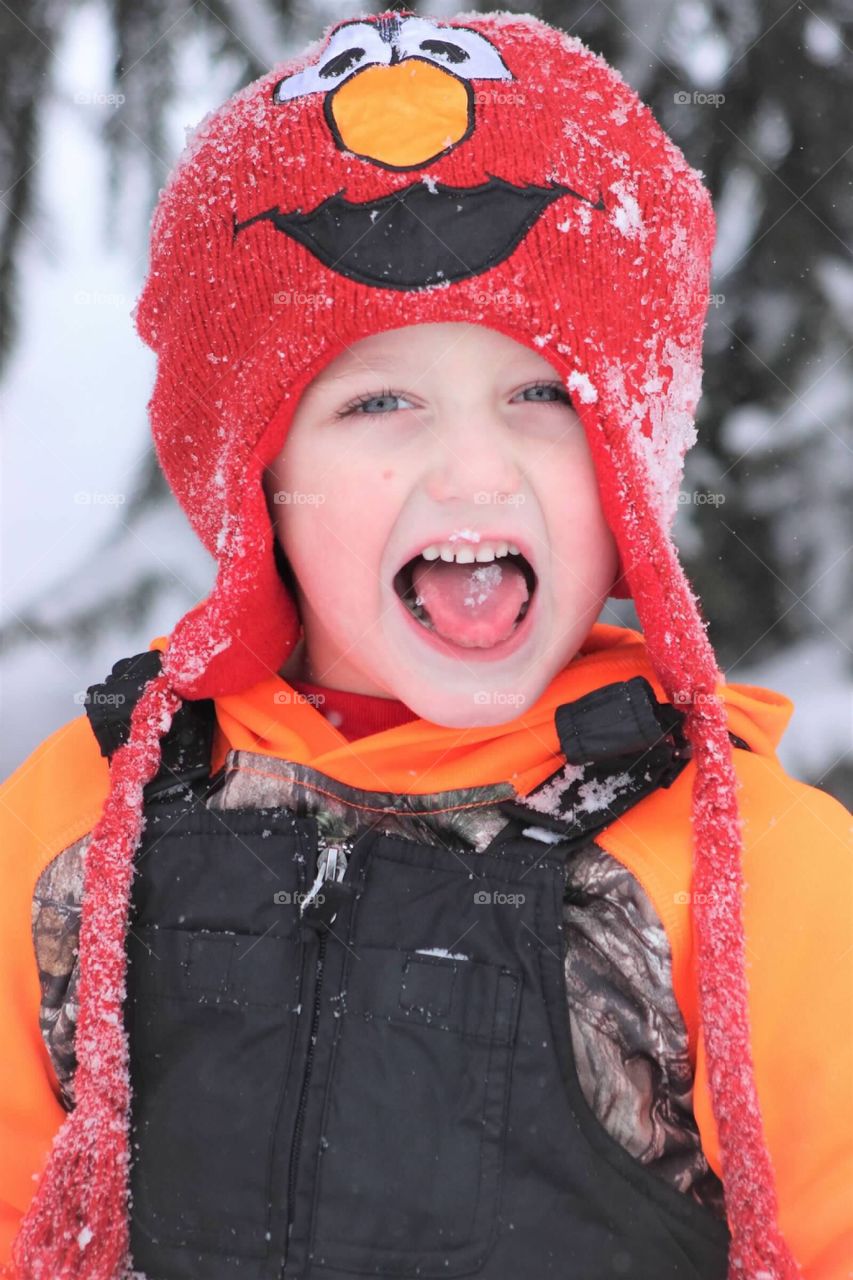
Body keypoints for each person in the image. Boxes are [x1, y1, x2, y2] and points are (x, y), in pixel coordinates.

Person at [0, 10, 849, 1280]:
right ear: (261, 476)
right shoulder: (85, 830)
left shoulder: (761, 882)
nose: (472, 467)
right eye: (378, 399)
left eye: (543, 392)